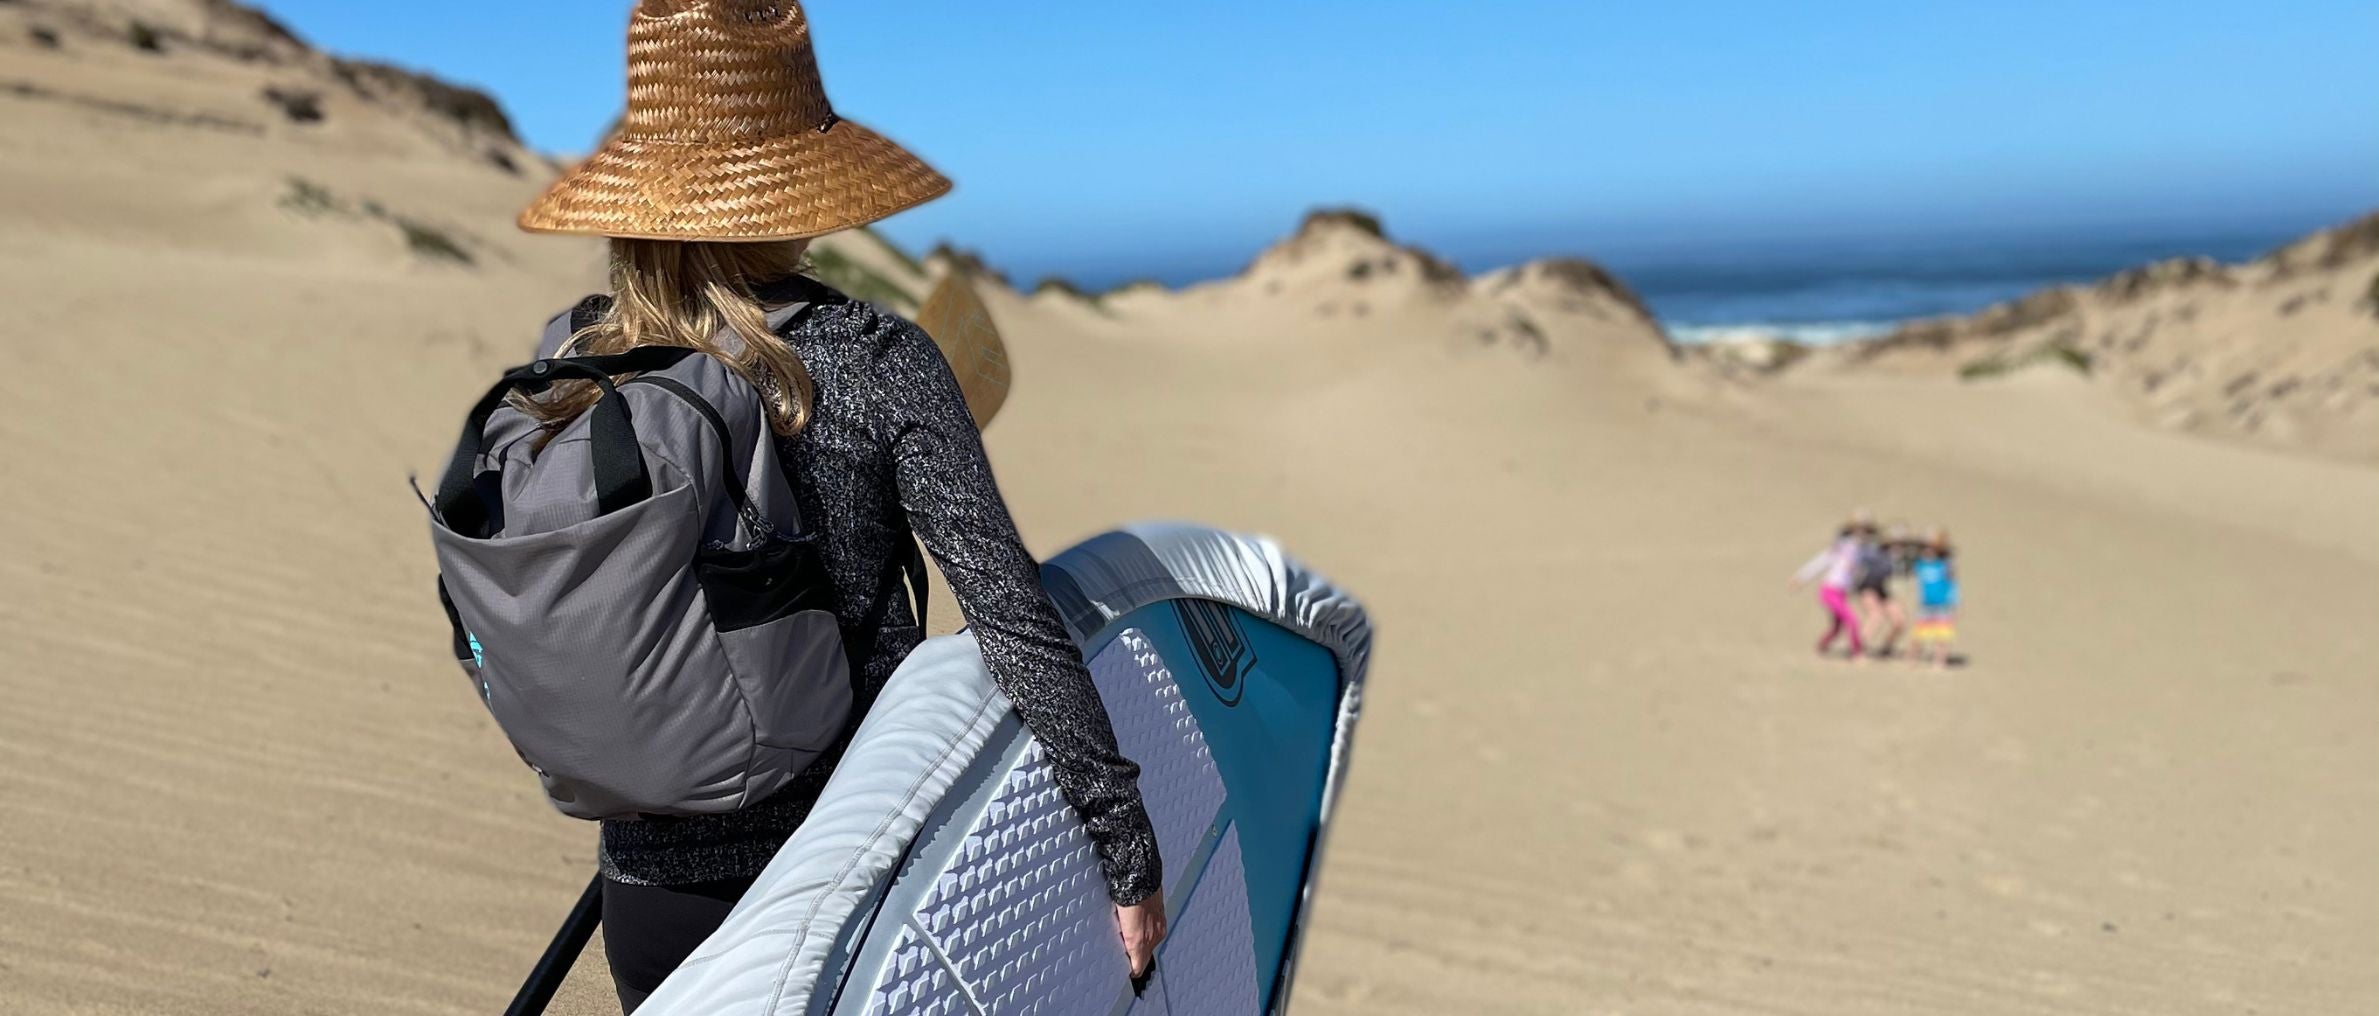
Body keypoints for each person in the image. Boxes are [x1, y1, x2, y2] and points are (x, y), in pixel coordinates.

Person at [504, 3, 1163, 1007]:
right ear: (794, 185)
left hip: (642, 891)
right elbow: (1010, 615)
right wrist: (1125, 846)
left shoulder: (580, 355)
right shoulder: (874, 356)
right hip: (835, 879)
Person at [1792, 516, 1870, 660]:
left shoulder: (1862, 552)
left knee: (1837, 627)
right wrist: (1801, 577)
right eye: (1859, 530)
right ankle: (1858, 653)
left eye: (1865, 530)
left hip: (1842, 593)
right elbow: (1820, 562)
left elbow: (1855, 575)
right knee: (1852, 620)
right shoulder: (1840, 547)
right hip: (1829, 590)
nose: (1862, 534)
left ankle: (1820, 647)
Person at [1854, 525, 1909, 657]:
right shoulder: (1875, 553)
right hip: (1867, 587)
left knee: (1899, 621)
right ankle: (1858, 648)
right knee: (1875, 615)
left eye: (1901, 543)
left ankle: (1886, 648)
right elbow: (1860, 559)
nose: (1898, 546)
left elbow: (1904, 573)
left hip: (1881, 589)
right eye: (1895, 542)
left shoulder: (1901, 558)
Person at [1910, 530, 1961, 669]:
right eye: (1925, 547)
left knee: (1942, 635)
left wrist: (1954, 603)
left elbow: (1953, 584)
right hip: (1925, 604)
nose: (1928, 550)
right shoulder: (1920, 564)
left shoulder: (1944, 564)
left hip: (1943, 605)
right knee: (1919, 634)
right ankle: (1913, 659)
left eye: (1931, 547)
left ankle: (1939, 661)